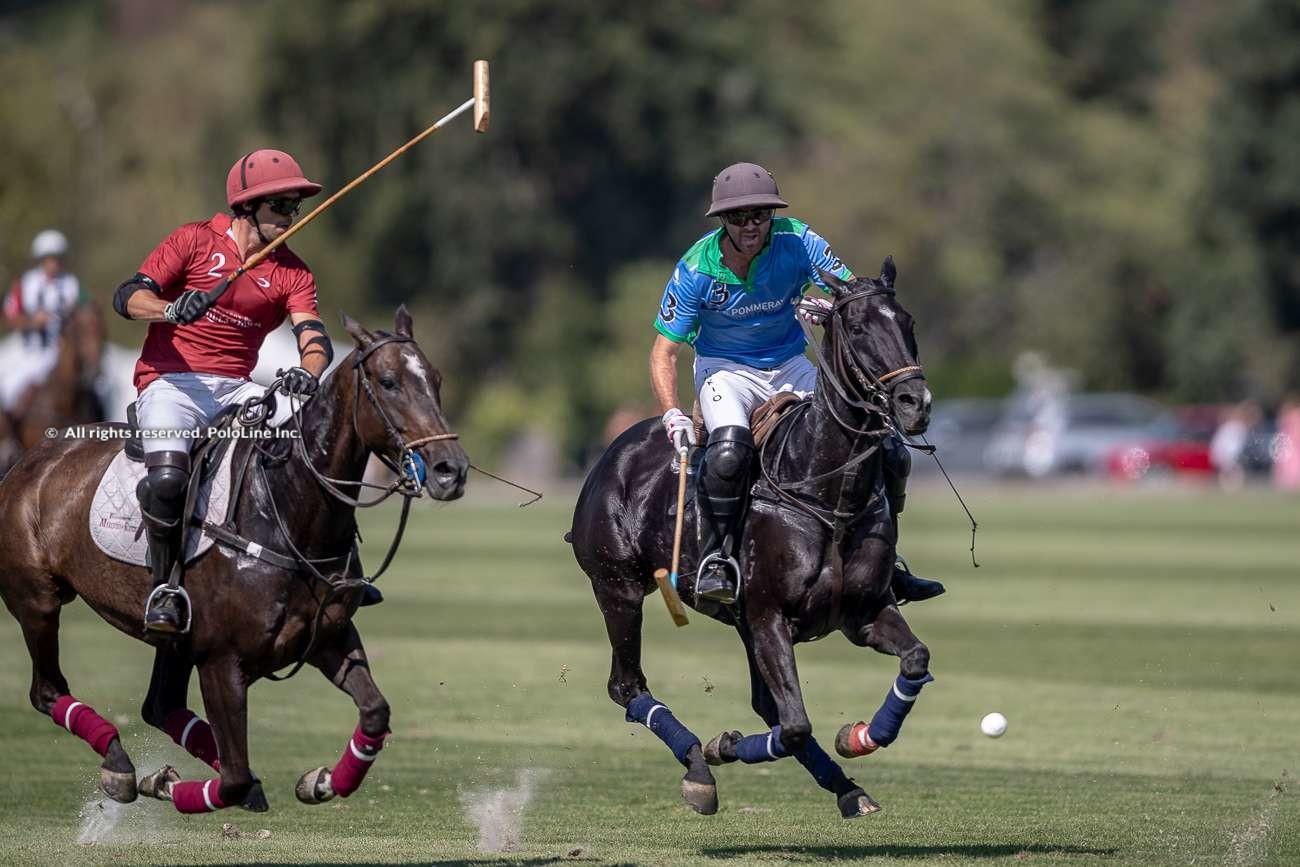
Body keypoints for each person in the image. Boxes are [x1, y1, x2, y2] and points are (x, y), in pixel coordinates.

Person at [649, 162, 944, 605]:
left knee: (885, 445)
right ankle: (715, 560)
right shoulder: (697, 269)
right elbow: (663, 352)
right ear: (721, 221)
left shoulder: (798, 239)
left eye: (760, 215)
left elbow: (852, 294)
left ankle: (889, 563)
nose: (751, 226)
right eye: (738, 217)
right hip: (726, 370)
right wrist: (672, 412)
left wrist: (827, 307)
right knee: (729, 450)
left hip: (789, 362)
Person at [112, 148, 361, 634]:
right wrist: (169, 310)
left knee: (310, 453)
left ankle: (340, 568)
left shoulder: (292, 271)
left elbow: (314, 339)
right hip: (171, 383)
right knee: (166, 482)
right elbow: (128, 296)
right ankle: (166, 588)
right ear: (248, 207)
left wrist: (308, 372)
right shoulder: (193, 240)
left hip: (239, 390)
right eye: (282, 206)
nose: (292, 216)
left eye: (295, 206)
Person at [1, 230, 88, 413]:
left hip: (61, 352)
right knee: (8, 390)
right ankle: (10, 439)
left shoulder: (73, 284)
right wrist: (33, 321)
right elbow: (9, 319)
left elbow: (86, 315)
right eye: (49, 258)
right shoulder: (25, 283)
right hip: (28, 351)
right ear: (41, 259)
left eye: (57, 258)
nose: (53, 264)